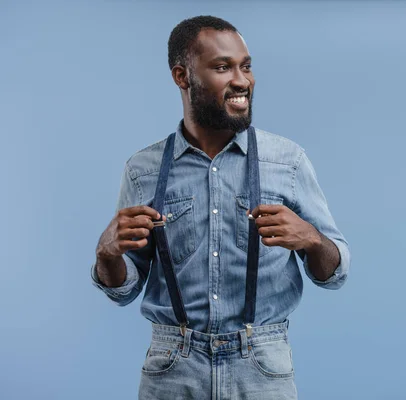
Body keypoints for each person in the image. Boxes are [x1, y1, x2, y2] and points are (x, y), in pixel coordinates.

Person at [92, 15, 350, 400]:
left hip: (261, 364)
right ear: (183, 77)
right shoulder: (142, 171)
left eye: (245, 66)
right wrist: (106, 254)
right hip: (173, 368)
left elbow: (335, 273)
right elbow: (124, 290)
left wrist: (311, 240)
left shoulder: (288, 162)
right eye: (222, 67)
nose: (242, 80)